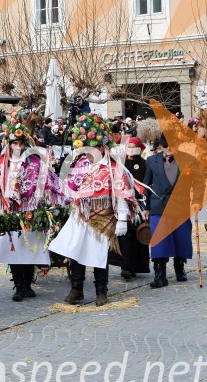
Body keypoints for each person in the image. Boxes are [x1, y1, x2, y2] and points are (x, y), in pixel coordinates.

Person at [49, 113, 140, 306]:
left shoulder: (112, 167)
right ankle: (77, 288)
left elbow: (121, 192)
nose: (88, 153)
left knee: (99, 255)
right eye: (86, 149)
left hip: (102, 217)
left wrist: (122, 218)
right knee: (76, 251)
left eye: (92, 149)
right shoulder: (81, 165)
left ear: (102, 147)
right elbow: (70, 187)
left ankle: (101, 291)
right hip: (81, 216)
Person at [0, 114, 67, 301]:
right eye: (14, 143)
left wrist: (64, 195)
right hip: (10, 211)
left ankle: (27, 284)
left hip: (30, 210)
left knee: (28, 248)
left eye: (21, 143)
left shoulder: (35, 162)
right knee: (13, 249)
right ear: (8, 144)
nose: (18, 147)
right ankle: (18, 285)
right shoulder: (0, 163)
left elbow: (50, 180)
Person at [143, 135, 203, 287]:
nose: (168, 148)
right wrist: (146, 208)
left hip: (180, 206)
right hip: (158, 206)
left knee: (181, 238)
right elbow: (146, 187)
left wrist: (197, 201)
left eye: (171, 145)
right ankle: (159, 274)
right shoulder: (151, 161)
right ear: (160, 146)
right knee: (159, 241)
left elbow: (198, 183)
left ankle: (179, 267)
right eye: (164, 146)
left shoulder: (189, 159)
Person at [109, 136, 151, 281]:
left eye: (135, 147)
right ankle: (125, 266)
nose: (132, 149)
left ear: (140, 148)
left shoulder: (146, 164)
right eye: (129, 146)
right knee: (124, 235)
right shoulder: (121, 164)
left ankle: (138, 265)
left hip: (140, 204)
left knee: (139, 234)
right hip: (124, 203)